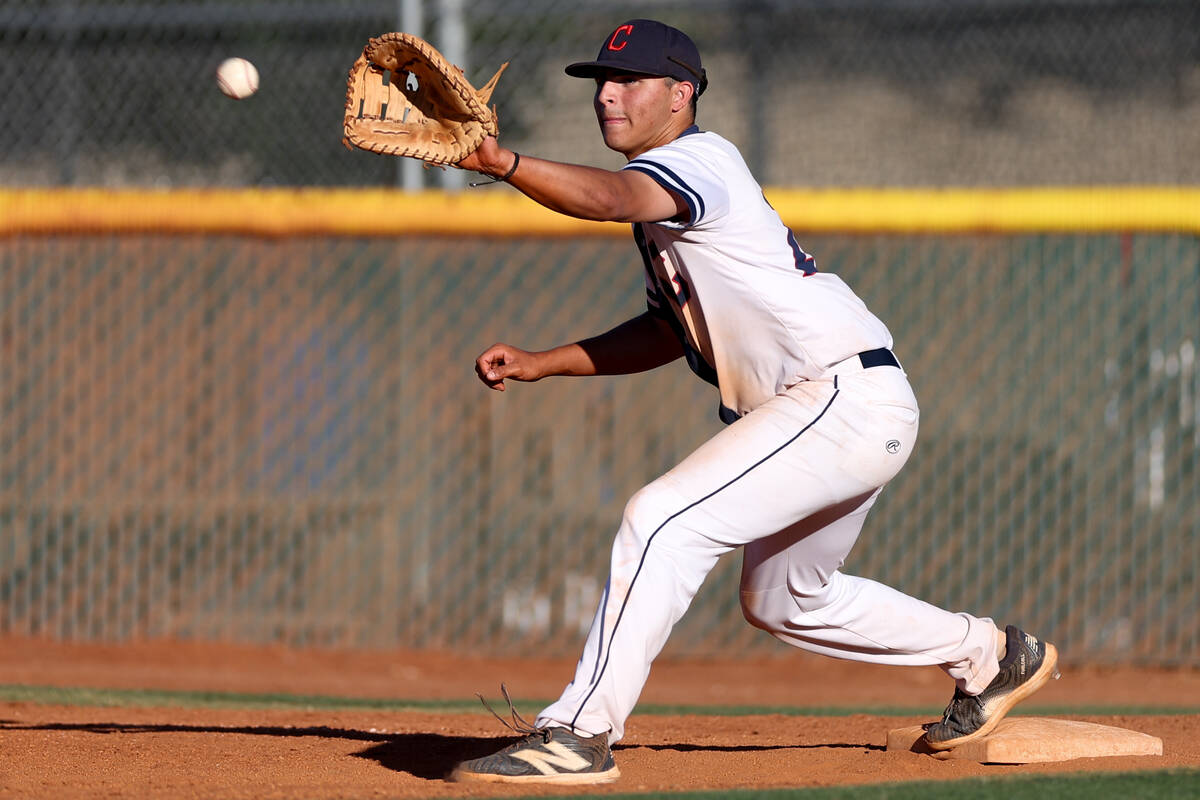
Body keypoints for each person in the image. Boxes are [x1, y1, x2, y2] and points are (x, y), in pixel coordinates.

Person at [450, 19, 1059, 785]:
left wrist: (502, 161)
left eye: (628, 79)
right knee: (788, 600)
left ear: (681, 94)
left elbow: (607, 196)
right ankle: (993, 656)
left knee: (662, 518)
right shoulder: (665, 203)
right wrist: (547, 364)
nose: (607, 94)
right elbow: (665, 332)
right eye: (601, 80)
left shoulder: (700, 161)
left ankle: (578, 733)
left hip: (836, 396)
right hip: (844, 404)